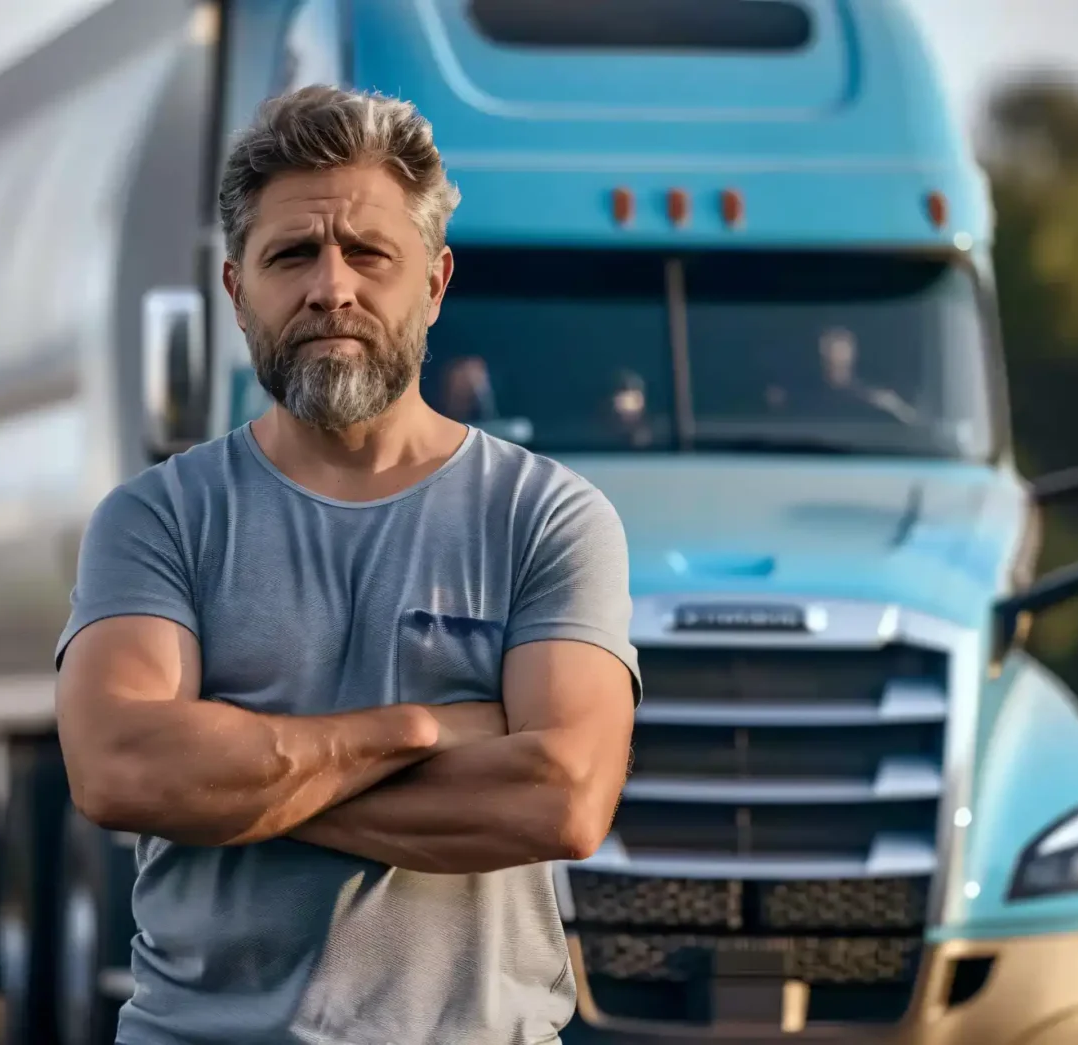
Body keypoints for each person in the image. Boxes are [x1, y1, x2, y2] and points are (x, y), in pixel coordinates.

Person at [53, 84, 641, 1045]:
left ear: (436, 281)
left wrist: (236, 782)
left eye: (369, 253)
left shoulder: (548, 517)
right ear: (239, 291)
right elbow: (120, 770)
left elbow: (562, 798)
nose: (333, 287)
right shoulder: (157, 518)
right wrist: (416, 730)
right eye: (292, 255)